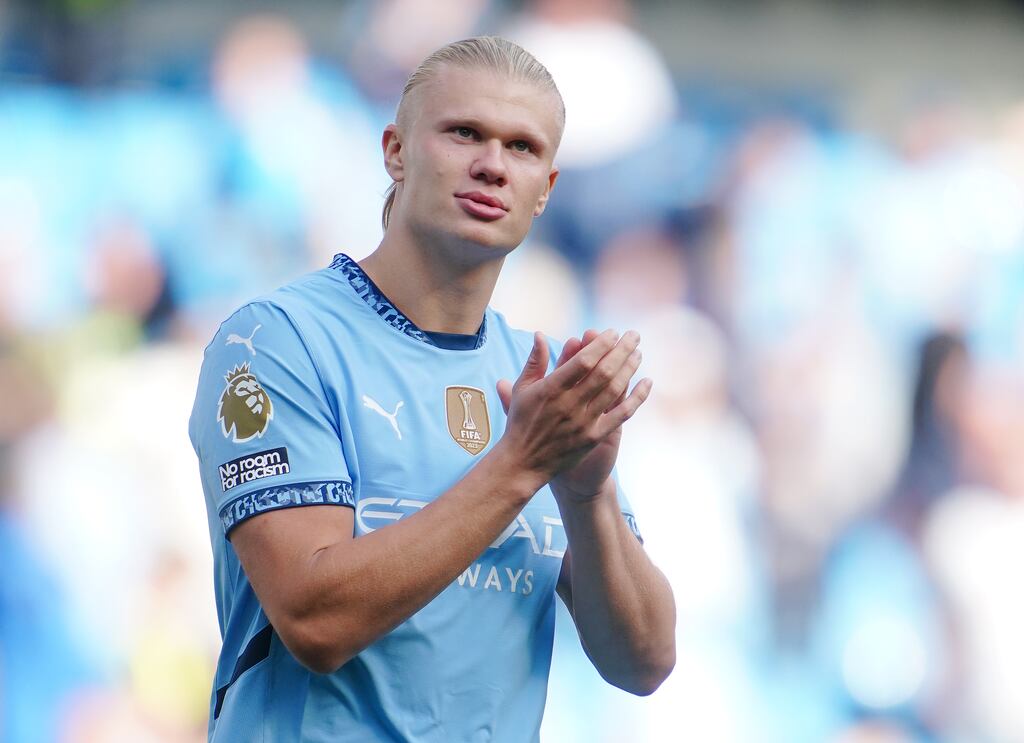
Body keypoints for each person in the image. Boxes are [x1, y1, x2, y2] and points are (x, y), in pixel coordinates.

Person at [189, 36, 676, 742]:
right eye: (464, 133)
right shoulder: (274, 342)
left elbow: (645, 661)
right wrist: (523, 464)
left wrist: (586, 492)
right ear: (395, 151)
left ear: (547, 190)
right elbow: (315, 621)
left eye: (523, 148)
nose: (492, 165)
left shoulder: (535, 377)